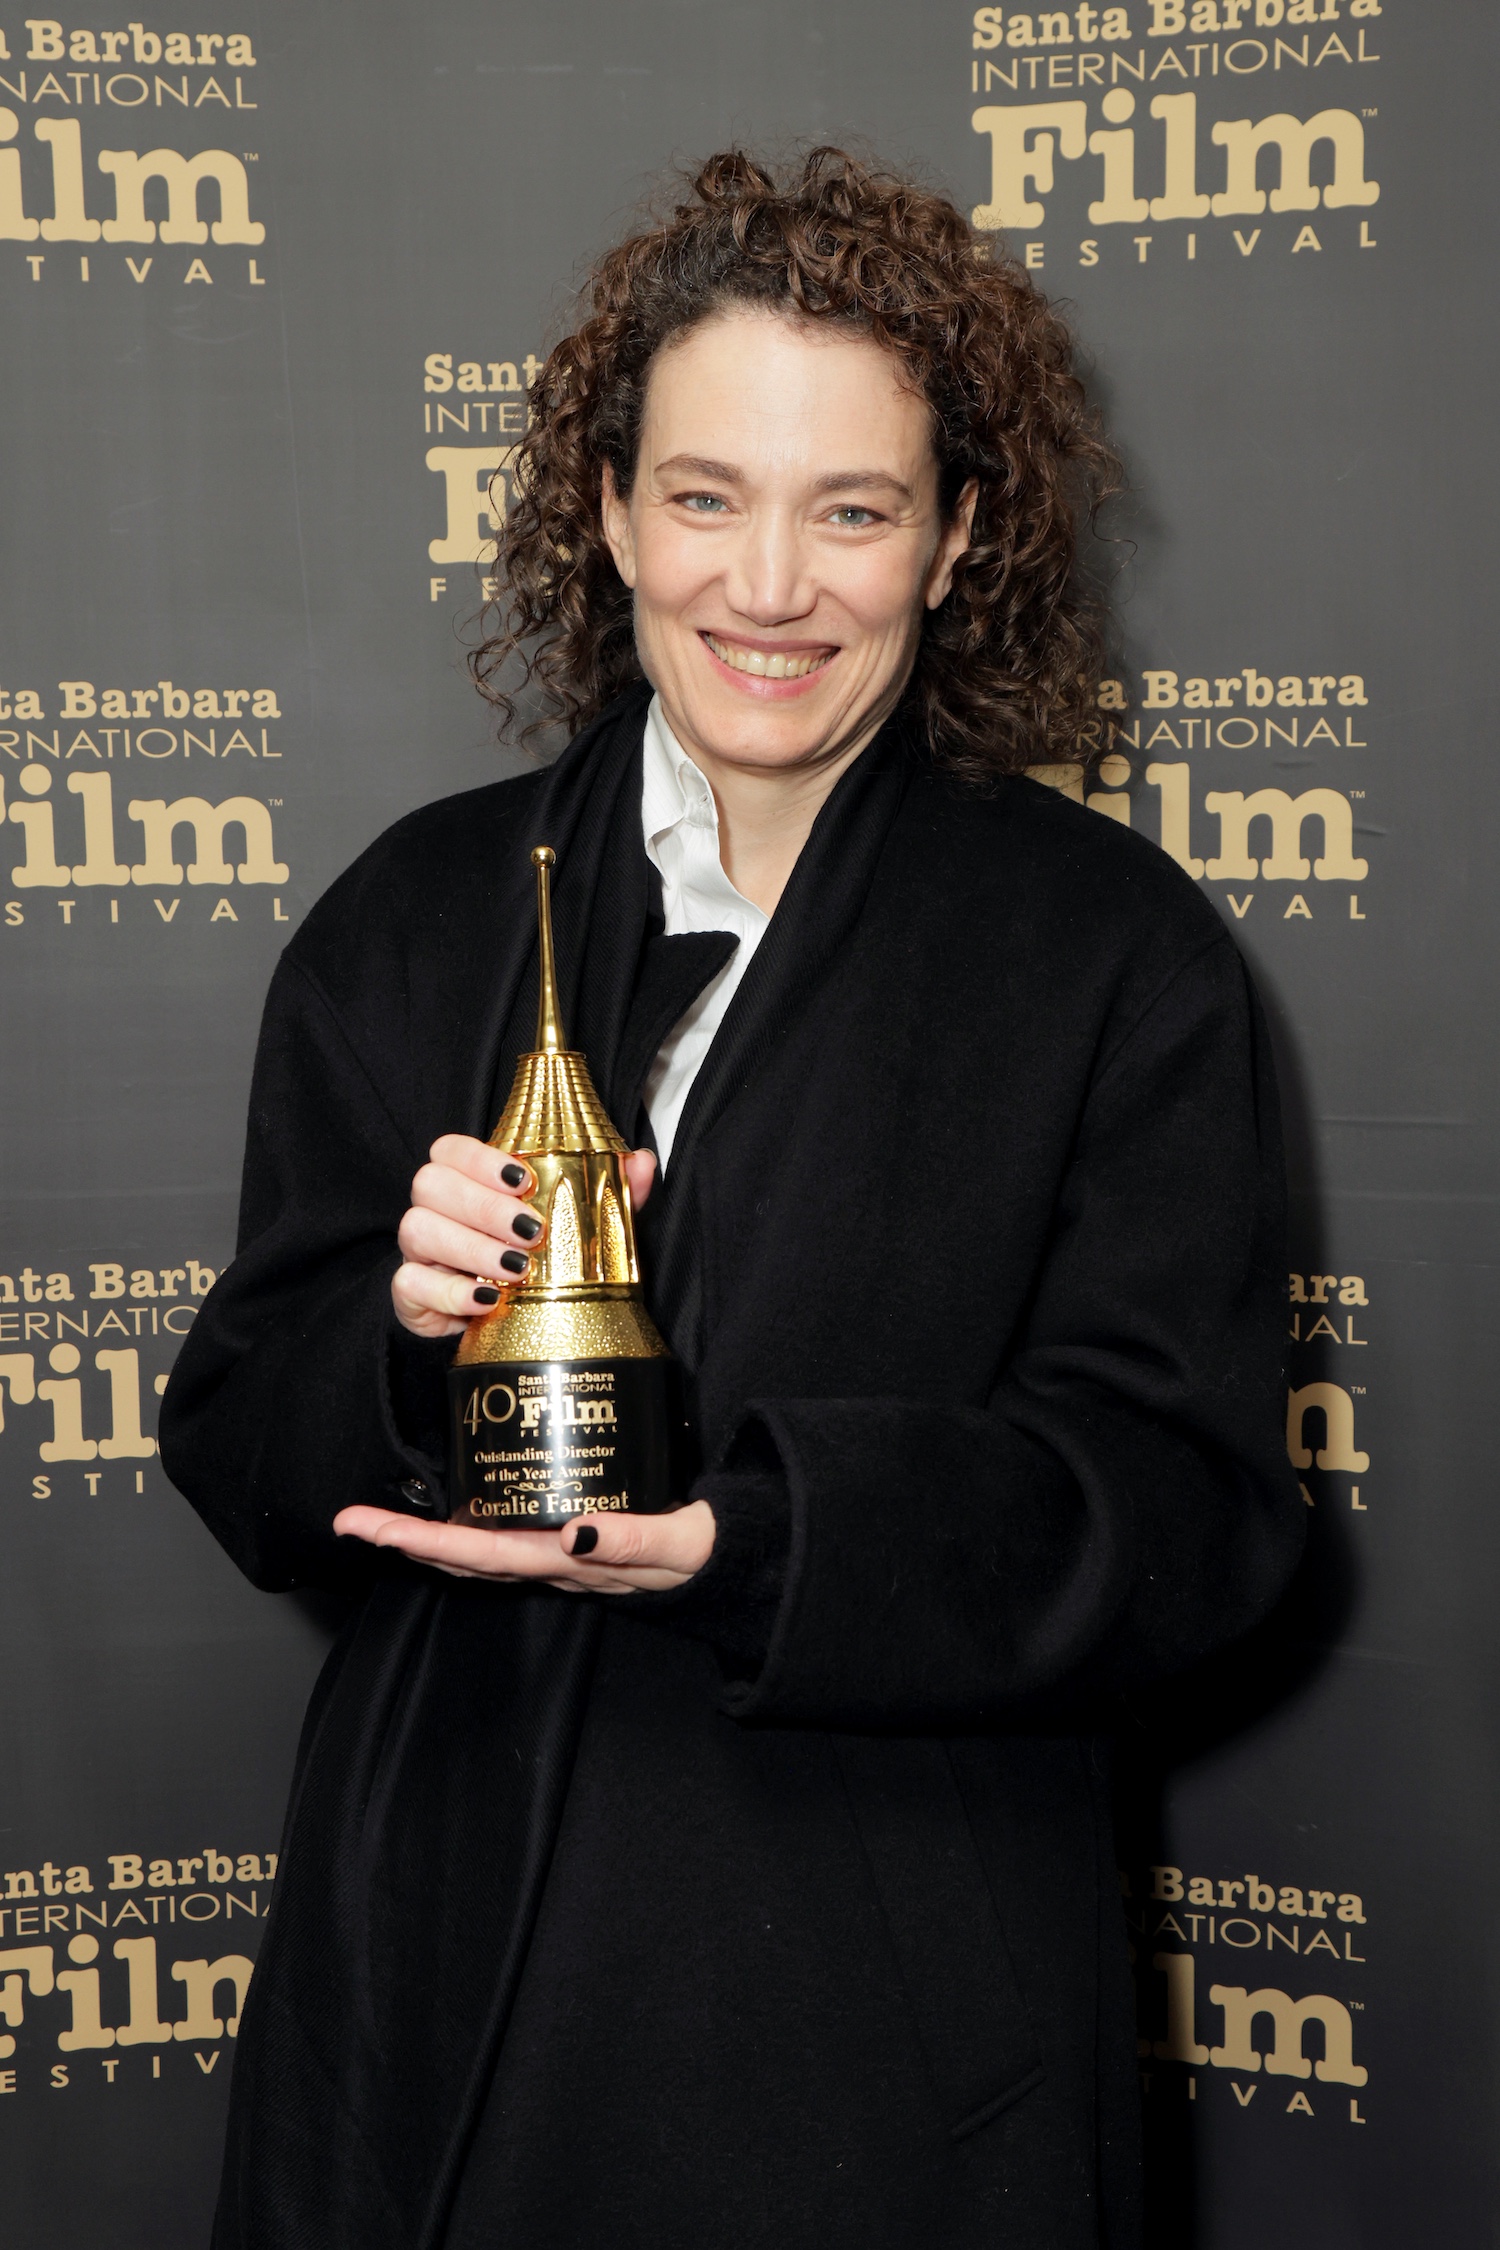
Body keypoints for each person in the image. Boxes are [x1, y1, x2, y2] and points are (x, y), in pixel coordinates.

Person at [161, 147, 1304, 2250]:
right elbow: (238, 1446)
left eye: (852, 509)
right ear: (608, 511)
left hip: (882, 2028)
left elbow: (1194, 1520)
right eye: (705, 495)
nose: (769, 586)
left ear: (959, 537)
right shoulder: (415, 916)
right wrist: (400, 1352)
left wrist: (759, 1537)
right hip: (433, 2003)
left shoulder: (1111, 956)